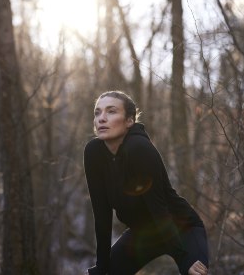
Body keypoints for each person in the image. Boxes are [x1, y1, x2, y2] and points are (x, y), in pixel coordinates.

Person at [84, 90, 209, 275]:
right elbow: (102, 215)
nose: (102, 118)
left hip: (180, 227)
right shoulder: (93, 153)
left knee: (196, 273)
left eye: (111, 111)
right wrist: (102, 267)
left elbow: (159, 209)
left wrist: (184, 259)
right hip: (142, 234)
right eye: (97, 112)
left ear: (129, 121)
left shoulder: (139, 148)